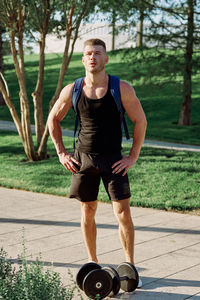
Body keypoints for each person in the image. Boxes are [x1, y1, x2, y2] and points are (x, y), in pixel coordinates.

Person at [48, 38, 147, 287]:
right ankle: (92, 263)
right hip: (84, 159)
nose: (93, 57)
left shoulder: (121, 88)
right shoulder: (73, 89)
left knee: (122, 213)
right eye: (88, 53)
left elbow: (141, 121)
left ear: (106, 59)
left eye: (98, 53)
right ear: (83, 59)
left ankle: (130, 267)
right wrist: (61, 153)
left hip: (114, 160)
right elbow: (53, 120)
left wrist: (132, 156)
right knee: (87, 210)